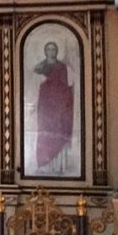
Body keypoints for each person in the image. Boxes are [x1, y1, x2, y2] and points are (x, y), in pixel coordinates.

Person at [34, 41, 75, 174]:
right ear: (45, 51)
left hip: (59, 105)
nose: (51, 52)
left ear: (56, 51)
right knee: (45, 133)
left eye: (53, 49)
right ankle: (45, 166)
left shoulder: (62, 67)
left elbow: (67, 85)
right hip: (46, 106)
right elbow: (36, 85)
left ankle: (58, 166)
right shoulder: (40, 67)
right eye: (49, 49)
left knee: (59, 131)